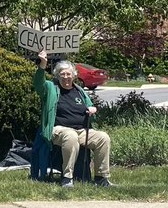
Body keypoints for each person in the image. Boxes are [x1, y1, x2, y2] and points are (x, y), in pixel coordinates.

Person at [31, 51, 113, 189]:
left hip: (82, 130)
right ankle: (67, 178)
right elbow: (39, 84)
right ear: (57, 75)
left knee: (103, 137)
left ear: (74, 75)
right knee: (70, 136)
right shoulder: (51, 88)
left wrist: (93, 109)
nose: (66, 77)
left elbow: (90, 106)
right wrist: (43, 64)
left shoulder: (79, 90)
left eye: (68, 74)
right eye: (62, 74)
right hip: (58, 130)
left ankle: (101, 177)